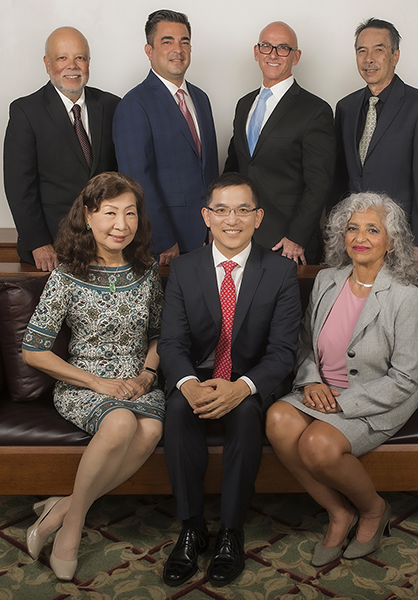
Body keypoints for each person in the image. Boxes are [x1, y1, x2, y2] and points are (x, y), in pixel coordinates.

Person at [266, 192, 418, 566]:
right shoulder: (326, 280)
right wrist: (310, 381)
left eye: (373, 229)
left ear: (391, 241)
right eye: (352, 228)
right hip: (323, 386)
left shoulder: (407, 298)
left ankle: (373, 509)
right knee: (277, 419)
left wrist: (343, 402)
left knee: (317, 445)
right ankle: (339, 513)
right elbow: (305, 344)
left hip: (378, 394)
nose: (361, 237)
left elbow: (405, 378)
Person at [158, 172, 302, 586]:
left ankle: (231, 532)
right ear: (206, 216)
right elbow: (171, 342)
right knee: (177, 411)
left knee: (245, 418)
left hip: (250, 379)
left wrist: (242, 387)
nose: (231, 219)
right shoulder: (184, 269)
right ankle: (191, 528)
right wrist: (188, 383)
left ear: (258, 217)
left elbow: (282, 352)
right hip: (197, 377)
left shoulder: (279, 272)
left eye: (242, 210)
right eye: (221, 210)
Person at [21, 172, 164, 581]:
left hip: (138, 381)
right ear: (88, 216)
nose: (121, 225)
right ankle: (71, 528)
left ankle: (61, 508)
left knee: (151, 430)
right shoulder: (67, 274)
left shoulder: (146, 269)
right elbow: (33, 351)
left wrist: (147, 375)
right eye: (110, 213)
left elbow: (159, 334)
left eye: (130, 214)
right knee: (120, 422)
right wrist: (96, 382)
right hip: (85, 384)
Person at [331, 18, 418, 271]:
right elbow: (340, 177)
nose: (368, 59)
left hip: (399, 241)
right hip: (354, 239)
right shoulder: (346, 107)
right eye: (362, 51)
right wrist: (335, 232)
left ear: (395, 56)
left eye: (378, 50)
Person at [4, 27, 120, 272]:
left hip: (106, 244)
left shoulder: (112, 106)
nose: (72, 65)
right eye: (62, 58)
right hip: (53, 247)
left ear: (89, 62)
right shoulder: (26, 112)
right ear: (47, 64)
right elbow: (18, 186)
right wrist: (38, 243)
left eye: (80, 57)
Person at [113, 9, 219, 266]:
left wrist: (216, 226)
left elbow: (210, 170)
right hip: (165, 247)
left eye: (184, 41)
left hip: (208, 238)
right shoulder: (134, 104)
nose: (178, 49)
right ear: (149, 51)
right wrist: (162, 240)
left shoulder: (201, 99)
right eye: (167, 41)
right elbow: (137, 182)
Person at [225, 22, 335, 265]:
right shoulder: (244, 105)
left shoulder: (315, 110)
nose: (273, 54)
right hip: (241, 237)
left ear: (296, 57)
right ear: (256, 52)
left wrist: (296, 237)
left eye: (283, 48)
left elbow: (320, 183)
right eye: (266, 46)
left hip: (286, 244)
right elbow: (233, 169)